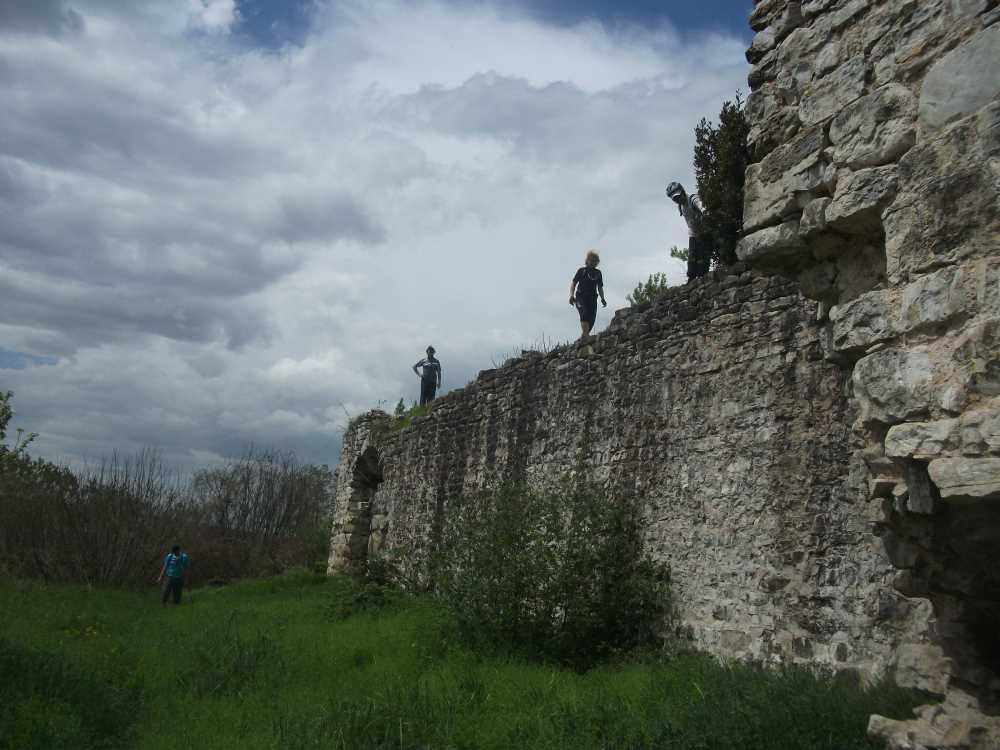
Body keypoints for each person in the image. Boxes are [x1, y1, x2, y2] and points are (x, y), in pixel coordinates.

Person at [666, 181, 711, 280]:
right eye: (675, 199)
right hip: (693, 232)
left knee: (702, 256)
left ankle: (703, 277)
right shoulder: (681, 207)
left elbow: (699, 204)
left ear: (682, 191)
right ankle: (691, 278)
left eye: (678, 196)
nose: (678, 199)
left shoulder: (692, 198)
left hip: (703, 230)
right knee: (691, 258)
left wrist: (704, 210)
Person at [569, 249, 607, 342]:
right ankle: (586, 338)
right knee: (584, 313)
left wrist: (603, 298)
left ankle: (583, 339)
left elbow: (600, 287)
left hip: (592, 298)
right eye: (591, 260)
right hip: (580, 296)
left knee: (591, 319)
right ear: (587, 260)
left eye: (595, 261)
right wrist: (571, 295)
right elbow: (573, 284)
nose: (593, 262)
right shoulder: (581, 271)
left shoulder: (598, 273)